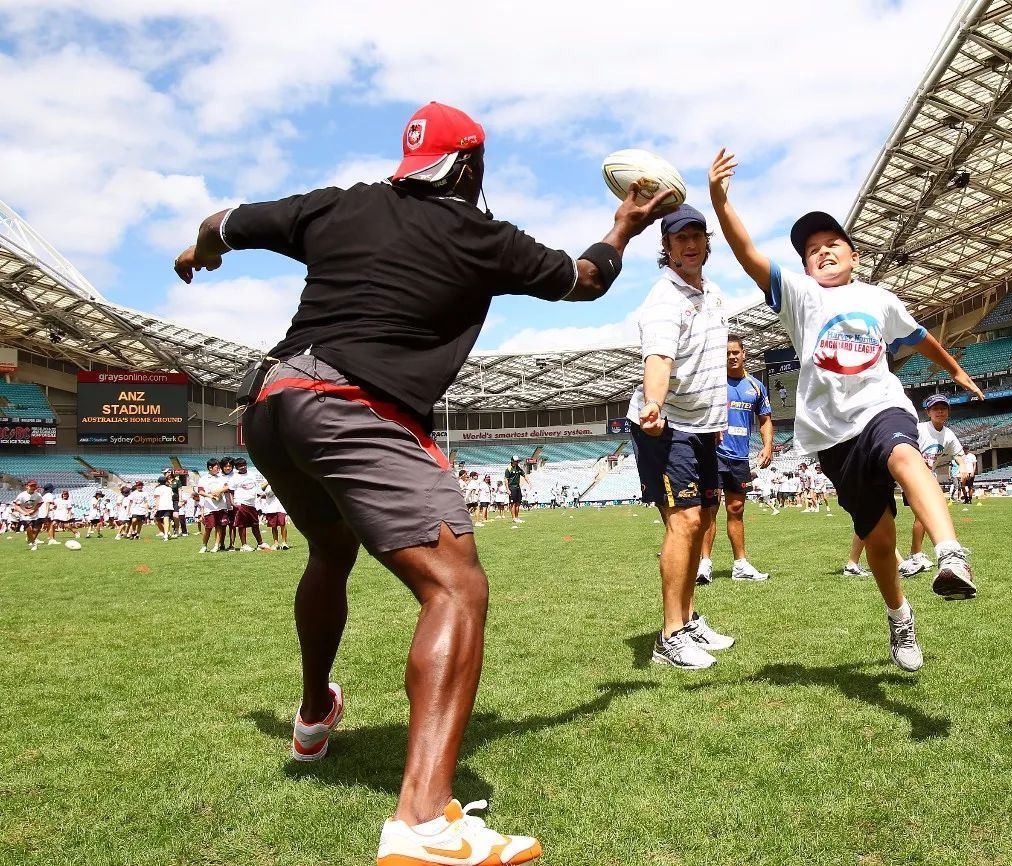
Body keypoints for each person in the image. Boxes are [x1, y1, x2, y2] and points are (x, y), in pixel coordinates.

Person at [175, 99, 673, 864]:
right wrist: (622, 230)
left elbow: (224, 219)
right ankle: (422, 825)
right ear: (469, 166)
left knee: (328, 555)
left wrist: (199, 253)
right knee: (456, 589)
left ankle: (313, 719)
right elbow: (585, 280)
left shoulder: (336, 203)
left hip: (272, 406)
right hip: (349, 406)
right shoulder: (479, 234)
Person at [709, 148, 981, 676]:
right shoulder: (800, 296)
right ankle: (899, 614)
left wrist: (955, 371)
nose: (822, 252)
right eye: (811, 250)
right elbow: (746, 253)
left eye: (832, 244)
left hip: (882, 406)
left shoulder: (879, 298)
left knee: (906, 454)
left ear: (854, 254)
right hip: (833, 435)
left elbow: (919, 337)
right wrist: (721, 201)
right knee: (878, 539)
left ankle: (950, 553)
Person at [628, 202, 734, 670]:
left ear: (707, 242)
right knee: (685, 523)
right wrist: (654, 403)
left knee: (703, 521)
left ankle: (688, 620)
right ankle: (669, 637)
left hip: (703, 427)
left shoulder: (712, 293)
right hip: (666, 425)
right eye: (679, 238)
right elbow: (660, 357)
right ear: (666, 248)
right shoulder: (664, 299)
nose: (690, 245)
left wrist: (716, 422)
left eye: (697, 236)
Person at [697, 333, 773, 584]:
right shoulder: (714, 383)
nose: (731, 357)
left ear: (744, 354)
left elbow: (764, 419)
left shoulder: (756, 387)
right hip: (713, 454)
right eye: (726, 353)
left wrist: (768, 445)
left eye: (735, 352)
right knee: (709, 509)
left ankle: (740, 565)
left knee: (736, 510)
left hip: (739, 457)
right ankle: (704, 565)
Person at [899, 394, 964, 578]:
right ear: (928, 412)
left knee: (924, 515)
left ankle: (916, 553)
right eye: (935, 408)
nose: (940, 411)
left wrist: (964, 467)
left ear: (948, 412)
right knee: (923, 515)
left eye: (943, 408)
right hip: (911, 474)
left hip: (927, 476)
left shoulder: (948, 434)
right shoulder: (919, 429)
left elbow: (958, 454)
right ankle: (915, 554)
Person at [230, 457, 270, 551]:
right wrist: (232, 503)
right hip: (241, 503)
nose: (243, 467)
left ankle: (260, 543)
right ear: (236, 467)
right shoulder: (234, 478)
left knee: (255, 524)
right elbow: (230, 491)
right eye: (240, 466)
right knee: (242, 525)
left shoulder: (252, 474)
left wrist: (262, 495)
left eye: (244, 465)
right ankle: (244, 545)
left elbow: (256, 488)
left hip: (252, 504)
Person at [196, 458, 231, 553]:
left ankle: (216, 545)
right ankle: (204, 545)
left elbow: (227, 487)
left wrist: (219, 492)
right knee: (208, 528)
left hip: (221, 506)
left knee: (219, 527)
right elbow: (200, 491)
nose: (219, 469)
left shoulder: (222, 478)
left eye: (219, 467)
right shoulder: (203, 479)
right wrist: (211, 496)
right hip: (209, 507)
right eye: (217, 467)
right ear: (210, 468)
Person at [259, 481, 290, 550]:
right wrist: (268, 481)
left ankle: (284, 542)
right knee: (273, 526)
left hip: (281, 507)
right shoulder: (265, 481)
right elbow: (262, 488)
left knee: (283, 524)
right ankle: (276, 543)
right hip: (271, 508)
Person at [14, 480, 41, 550]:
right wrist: (23, 512)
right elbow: (16, 506)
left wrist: (33, 510)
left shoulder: (38, 495)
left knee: (35, 530)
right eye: (31, 486)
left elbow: (40, 503)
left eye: (34, 486)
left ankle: (30, 539)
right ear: (27, 486)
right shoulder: (21, 495)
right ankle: (33, 543)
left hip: (35, 515)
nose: (33, 487)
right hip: (24, 516)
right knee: (29, 528)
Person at [505, 455, 528, 527]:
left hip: (518, 488)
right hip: (512, 488)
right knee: (513, 504)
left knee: (518, 503)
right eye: (516, 461)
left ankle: (517, 518)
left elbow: (524, 475)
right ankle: (514, 518)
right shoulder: (508, 469)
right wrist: (508, 489)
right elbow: (506, 480)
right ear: (512, 461)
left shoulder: (518, 468)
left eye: (517, 461)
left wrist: (529, 483)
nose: (517, 462)